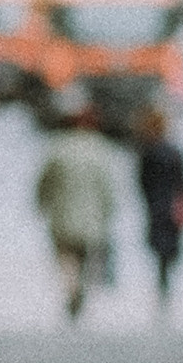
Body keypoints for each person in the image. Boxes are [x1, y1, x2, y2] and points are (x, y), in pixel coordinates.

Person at [34, 121, 116, 323]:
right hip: (91, 215)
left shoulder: (58, 149)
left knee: (66, 257)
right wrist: (107, 210)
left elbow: (44, 182)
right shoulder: (98, 150)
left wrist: (42, 203)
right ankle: (80, 290)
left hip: (62, 213)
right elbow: (107, 186)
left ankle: (72, 290)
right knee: (86, 256)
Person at [134, 108, 183, 304]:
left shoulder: (147, 152)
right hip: (171, 206)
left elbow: (141, 182)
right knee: (169, 247)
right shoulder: (174, 152)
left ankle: (163, 282)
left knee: (160, 246)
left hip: (156, 205)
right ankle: (164, 282)